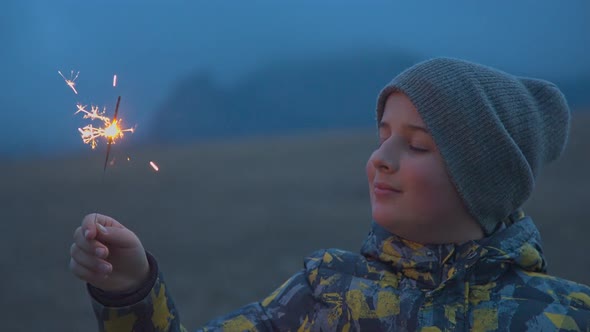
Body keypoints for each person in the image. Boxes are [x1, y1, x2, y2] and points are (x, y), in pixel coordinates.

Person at [69, 57, 590, 331]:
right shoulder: (322, 296)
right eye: (383, 135)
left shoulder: (563, 314)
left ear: (484, 177)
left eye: (418, 145)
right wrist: (131, 290)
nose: (382, 158)